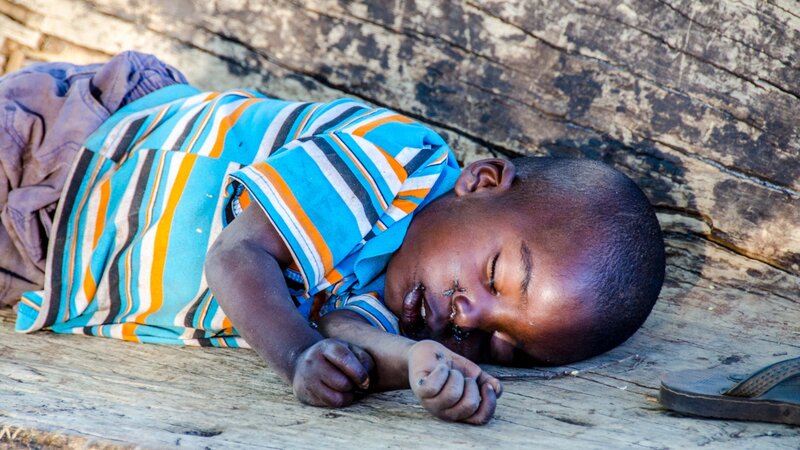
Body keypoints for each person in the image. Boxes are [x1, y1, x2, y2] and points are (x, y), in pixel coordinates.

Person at [3, 52, 666, 425]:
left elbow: (345, 337)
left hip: (49, 262)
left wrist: (412, 368)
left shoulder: (396, 299)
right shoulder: (399, 163)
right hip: (69, 152)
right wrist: (297, 360)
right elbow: (238, 256)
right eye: (495, 276)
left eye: (501, 344)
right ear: (481, 181)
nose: (470, 317)